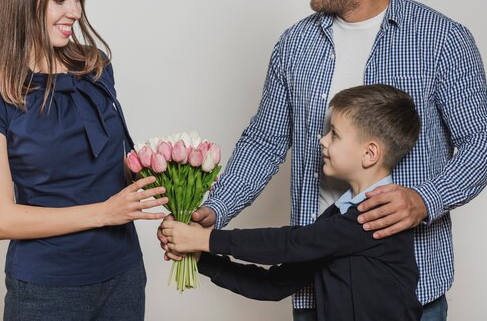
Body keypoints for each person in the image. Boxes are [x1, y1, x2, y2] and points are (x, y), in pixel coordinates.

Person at [158, 0, 487, 321]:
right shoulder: (295, 45)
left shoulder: (441, 40)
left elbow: (483, 144)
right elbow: (264, 142)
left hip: (411, 294)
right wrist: (216, 209)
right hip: (313, 286)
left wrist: (424, 199)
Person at [0, 0, 168, 320]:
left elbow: (106, 167)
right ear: (24, 0)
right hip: (45, 291)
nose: (75, 10)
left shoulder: (96, 67)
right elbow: (1, 219)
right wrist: (105, 212)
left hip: (123, 274)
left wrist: (168, 180)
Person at [162, 85, 423, 321]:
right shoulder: (338, 218)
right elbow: (273, 285)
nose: (322, 140)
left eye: (334, 134)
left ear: (369, 154)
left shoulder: (375, 216)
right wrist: (200, 257)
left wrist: (205, 240)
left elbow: (291, 243)